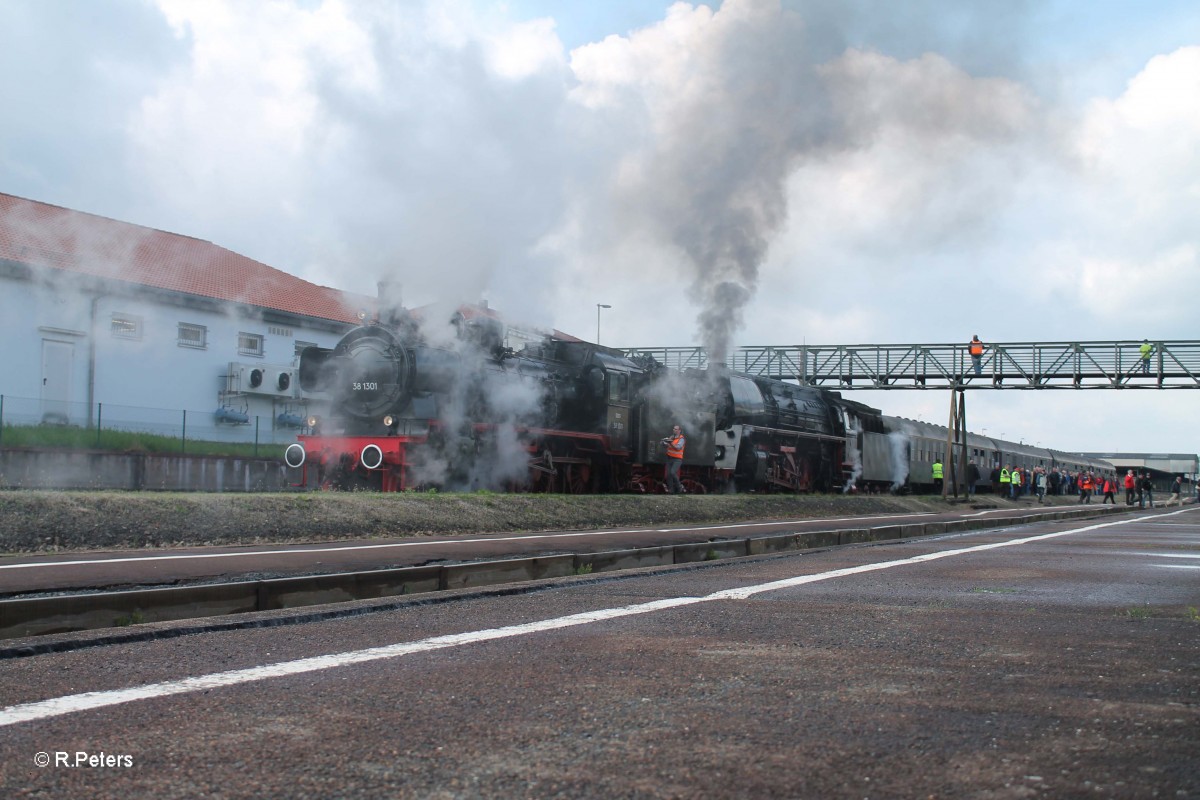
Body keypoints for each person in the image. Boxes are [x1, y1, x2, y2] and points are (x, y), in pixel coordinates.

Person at [662, 424, 686, 494]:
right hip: (669, 458)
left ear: (679, 431)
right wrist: (664, 442)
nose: (674, 430)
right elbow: (667, 445)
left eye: (676, 429)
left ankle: (679, 487)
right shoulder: (671, 437)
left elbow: (678, 447)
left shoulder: (682, 439)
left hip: (677, 459)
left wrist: (670, 442)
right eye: (673, 429)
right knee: (668, 475)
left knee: (672, 472)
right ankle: (671, 490)